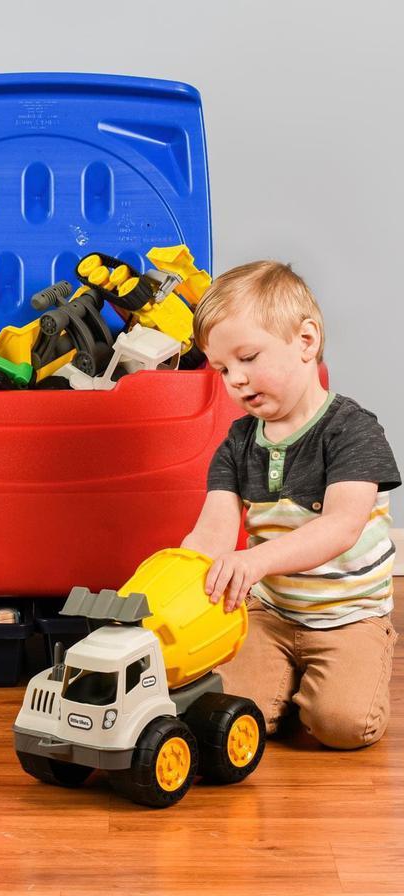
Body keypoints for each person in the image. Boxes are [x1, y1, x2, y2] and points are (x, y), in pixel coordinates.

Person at [181, 260, 400, 748]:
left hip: (348, 615)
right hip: (271, 612)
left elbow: (340, 527)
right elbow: (212, 531)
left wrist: (254, 560)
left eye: (248, 357)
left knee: (343, 727)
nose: (235, 379)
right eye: (222, 369)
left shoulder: (353, 430)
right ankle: (288, 677)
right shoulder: (237, 442)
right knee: (225, 714)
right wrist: (176, 575)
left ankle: (342, 669)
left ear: (306, 341)